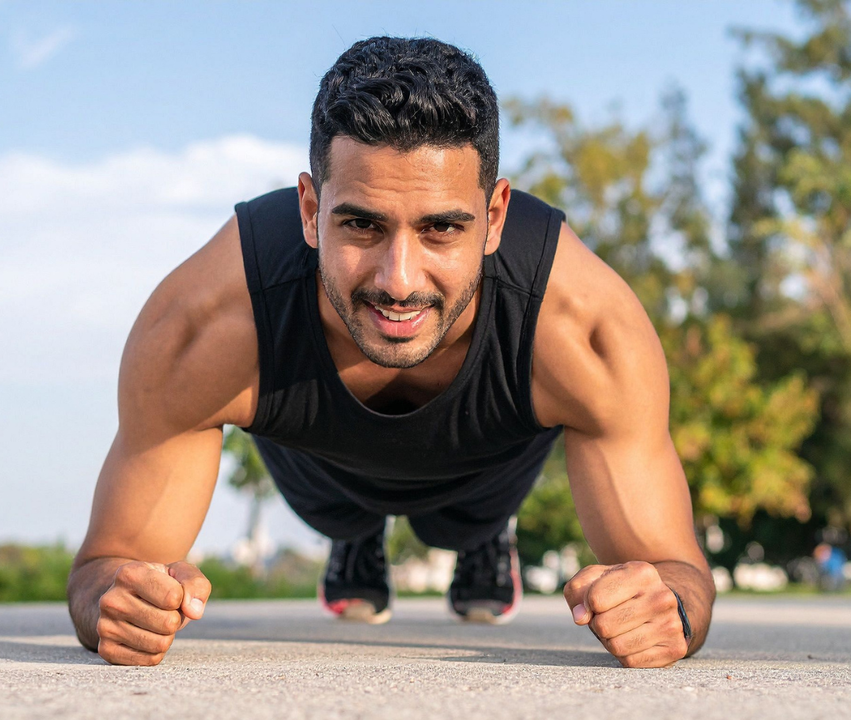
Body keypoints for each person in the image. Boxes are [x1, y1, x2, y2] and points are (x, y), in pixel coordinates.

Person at [67, 36, 716, 669]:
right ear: (310, 208)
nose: (398, 280)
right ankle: (355, 539)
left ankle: (486, 537)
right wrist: (120, 603)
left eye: (440, 228)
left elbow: (675, 569)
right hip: (322, 472)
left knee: (460, 526)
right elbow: (107, 564)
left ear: (493, 219)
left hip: (483, 474)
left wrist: (667, 611)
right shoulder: (209, 323)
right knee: (341, 514)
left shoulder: (582, 327)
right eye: (362, 225)